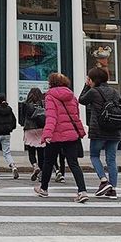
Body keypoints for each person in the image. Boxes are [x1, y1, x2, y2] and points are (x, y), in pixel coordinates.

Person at [34, 73, 88, 203]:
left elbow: (51, 117)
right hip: (71, 135)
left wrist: (47, 134)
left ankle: (44, 189)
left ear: (51, 83)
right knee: (74, 163)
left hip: (56, 135)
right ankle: (82, 191)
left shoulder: (50, 96)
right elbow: (76, 116)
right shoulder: (72, 96)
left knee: (48, 162)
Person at [79, 66, 121, 199]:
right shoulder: (115, 92)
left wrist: (86, 86)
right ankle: (113, 189)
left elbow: (81, 100)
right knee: (111, 159)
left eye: (89, 79)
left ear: (93, 80)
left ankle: (104, 180)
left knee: (94, 156)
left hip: (99, 130)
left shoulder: (93, 92)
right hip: (115, 130)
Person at [19, 87, 46, 181]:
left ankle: (35, 166)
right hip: (41, 128)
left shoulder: (25, 104)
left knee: (31, 152)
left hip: (29, 129)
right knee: (41, 153)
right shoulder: (43, 103)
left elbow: (22, 117)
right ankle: (42, 174)